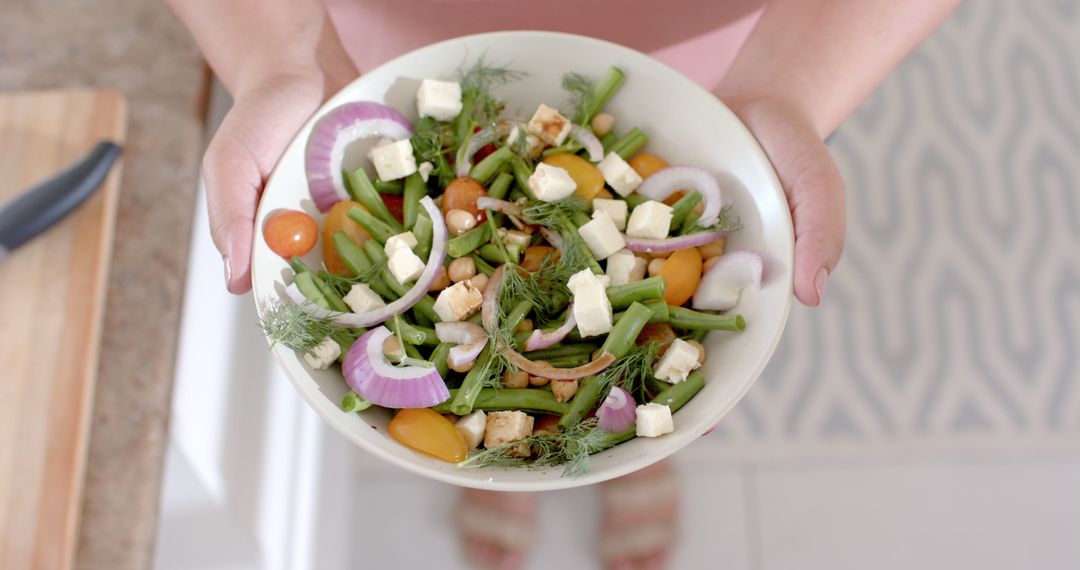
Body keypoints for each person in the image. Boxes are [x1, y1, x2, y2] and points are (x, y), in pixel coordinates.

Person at [166, 1, 959, 568]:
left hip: (733, 49)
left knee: (636, 389)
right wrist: (280, 50)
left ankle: (617, 442)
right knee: (522, 410)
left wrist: (787, 87)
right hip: (371, 37)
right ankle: (505, 452)